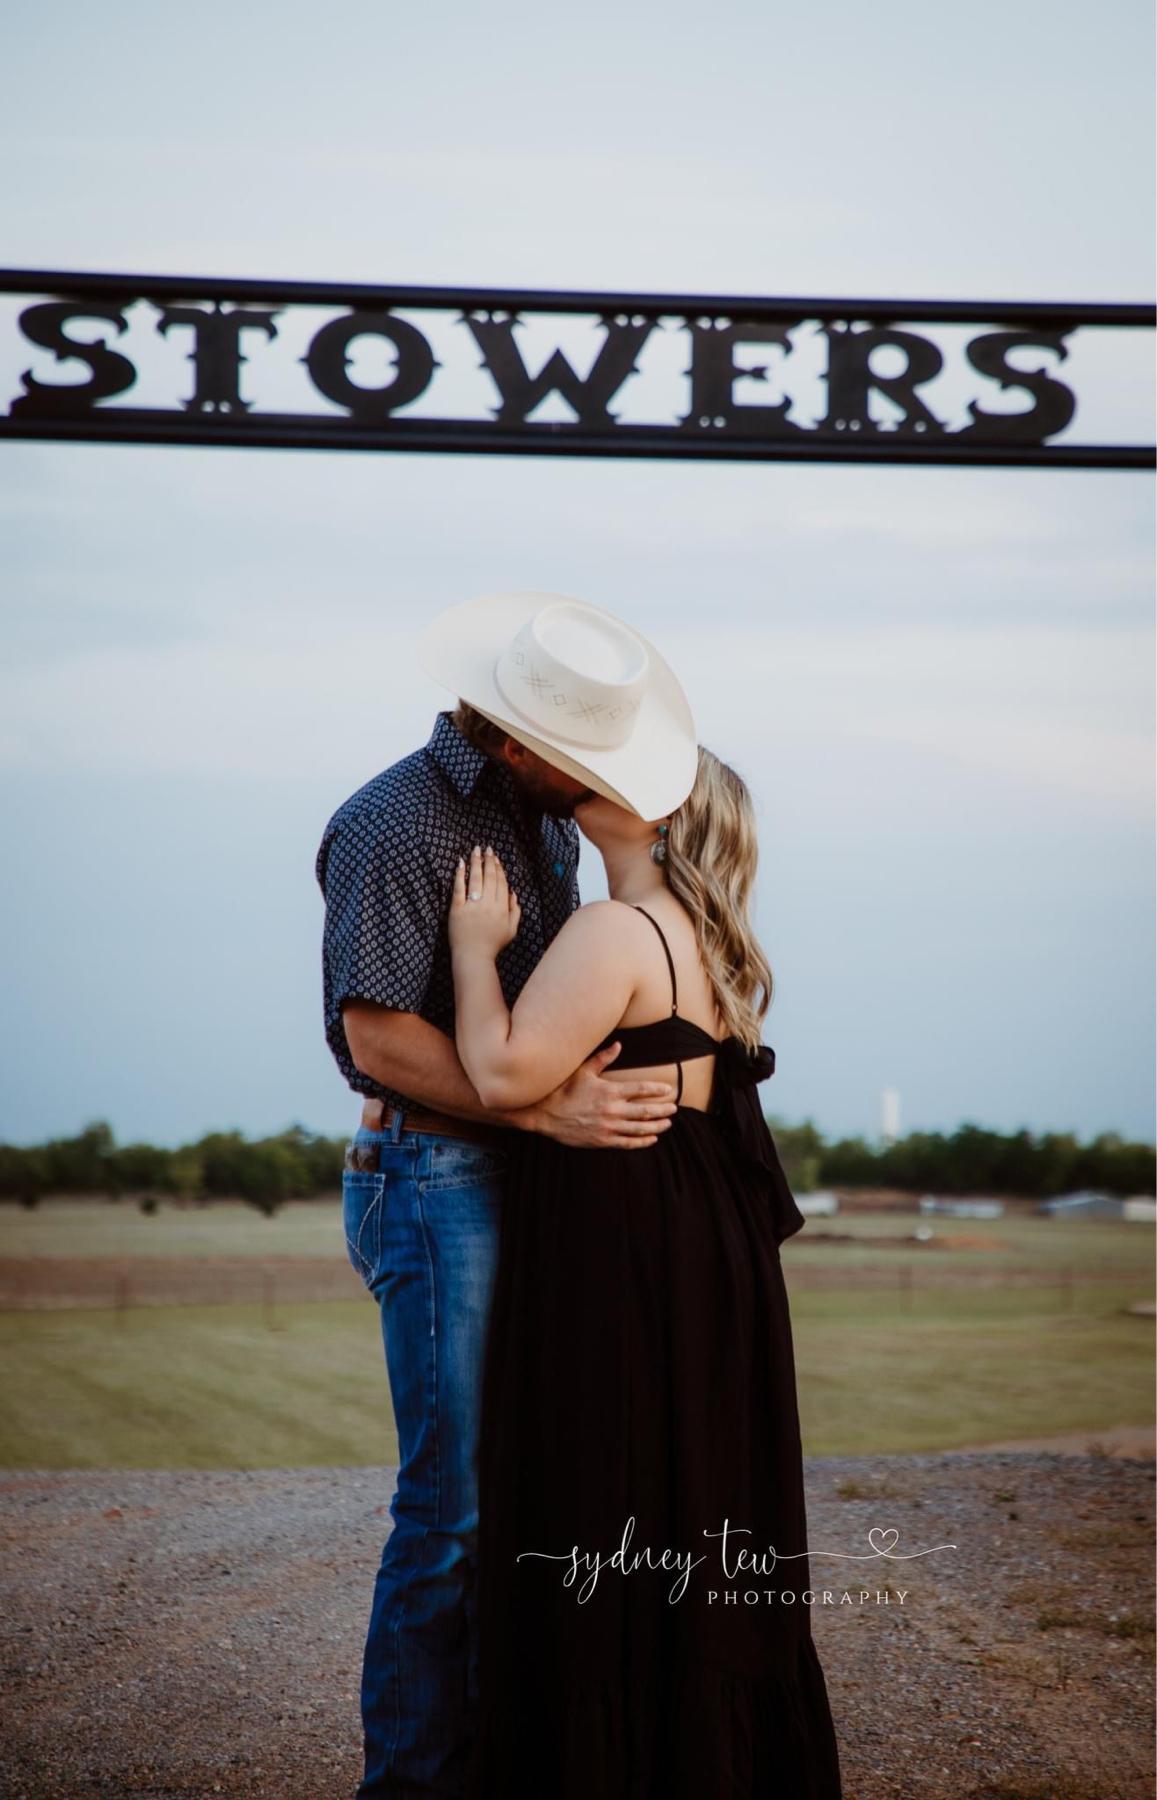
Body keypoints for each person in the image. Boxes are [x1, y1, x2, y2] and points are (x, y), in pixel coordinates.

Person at [441, 661, 844, 1790]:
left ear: (660, 815)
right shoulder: (698, 941)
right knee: (682, 1489)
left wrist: (473, 948)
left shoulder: (616, 930)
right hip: (695, 1241)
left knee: (602, 1484)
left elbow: (500, 1070)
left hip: (621, 1240)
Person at [315, 590, 690, 1798]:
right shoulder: (394, 821)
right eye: (586, 755)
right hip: (431, 1176)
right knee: (453, 1514)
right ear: (523, 738)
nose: (604, 779)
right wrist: (540, 1113)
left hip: (512, 1181)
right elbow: (377, 1038)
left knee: (521, 1491)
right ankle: (410, 1785)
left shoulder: (545, 822)